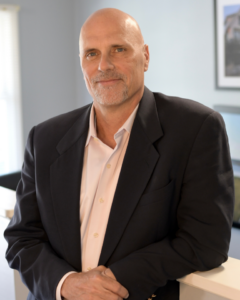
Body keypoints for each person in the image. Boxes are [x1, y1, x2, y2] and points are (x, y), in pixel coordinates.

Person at [4, 8, 234, 300]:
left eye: (119, 49)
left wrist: (113, 282)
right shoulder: (44, 138)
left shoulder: (196, 129)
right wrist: (67, 284)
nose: (103, 65)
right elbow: (22, 238)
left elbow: (206, 241)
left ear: (146, 56)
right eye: (91, 54)